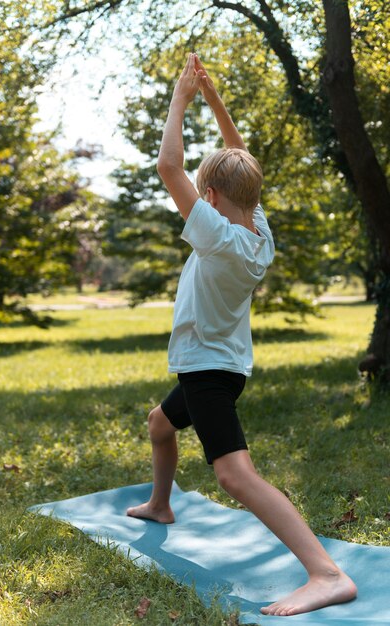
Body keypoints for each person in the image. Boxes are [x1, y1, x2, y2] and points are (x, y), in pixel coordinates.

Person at [127, 53, 357, 617]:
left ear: (207, 200)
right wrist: (214, 100)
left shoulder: (217, 238)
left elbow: (168, 167)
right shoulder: (256, 229)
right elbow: (239, 163)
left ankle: (326, 573)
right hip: (222, 363)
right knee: (161, 424)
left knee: (233, 474)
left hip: (208, 367)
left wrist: (181, 96)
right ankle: (161, 504)